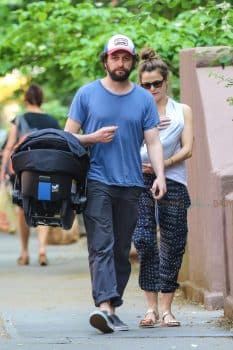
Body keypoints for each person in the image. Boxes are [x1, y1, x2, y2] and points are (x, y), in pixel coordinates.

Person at [64, 34, 166, 334]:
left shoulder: (143, 99)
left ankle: (112, 304)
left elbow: (154, 142)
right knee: (102, 245)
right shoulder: (86, 94)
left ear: (132, 62)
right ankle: (104, 307)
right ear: (105, 60)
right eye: (115, 57)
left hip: (132, 183)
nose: (120, 63)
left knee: (122, 249)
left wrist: (159, 175)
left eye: (125, 58)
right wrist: (91, 138)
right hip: (97, 180)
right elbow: (67, 136)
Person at [133, 47, 193, 328]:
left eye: (157, 83)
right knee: (144, 239)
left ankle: (167, 309)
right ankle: (150, 308)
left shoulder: (182, 110)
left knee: (173, 241)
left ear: (166, 81)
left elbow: (189, 148)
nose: (152, 89)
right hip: (139, 179)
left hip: (174, 179)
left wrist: (163, 165)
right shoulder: (134, 111)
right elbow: (126, 147)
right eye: (146, 85)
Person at [0, 84, 61, 266]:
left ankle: (25, 252)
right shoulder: (51, 121)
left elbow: (10, 146)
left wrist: (4, 170)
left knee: (22, 208)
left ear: (26, 100)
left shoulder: (19, 120)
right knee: (44, 207)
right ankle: (42, 250)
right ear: (41, 99)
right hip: (46, 171)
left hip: (24, 172)